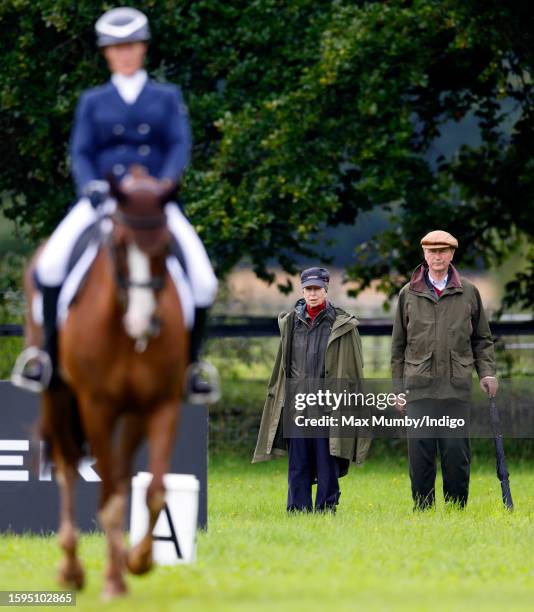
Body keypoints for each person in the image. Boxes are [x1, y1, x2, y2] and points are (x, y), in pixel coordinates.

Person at [13, 7, 218, 397]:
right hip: (103, 201)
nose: (124, 54)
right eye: (116, 48)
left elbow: (177, 144)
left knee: (204, 280)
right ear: (107, 53)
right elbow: (82, 150)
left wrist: (165, 184)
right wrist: (90, 184)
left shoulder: (165, 97)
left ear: (143, 49)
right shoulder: (94, 101)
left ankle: (193, 367)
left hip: (154, 206)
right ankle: (46, 358)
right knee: (51, 266)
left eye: (131, 46)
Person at [391, 230, 498, 510]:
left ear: (452, 255)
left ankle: (455, 509)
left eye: (443, 251)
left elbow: (482, 339)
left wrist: (487, 372)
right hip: (419, 387)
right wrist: (397, 390)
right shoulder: (408, 294)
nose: (437, 256)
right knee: (420, 453)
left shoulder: (469, 292)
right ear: (424, 255)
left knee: (455, 453)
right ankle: (423, 509)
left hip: (456, 388)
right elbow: (398, 347)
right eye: (432, 252)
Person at [253, 267, 370, 513]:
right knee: (298, 464)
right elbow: (282, 368)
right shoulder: (290, 323)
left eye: (317, 289)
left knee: (327, 461)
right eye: (308, 289)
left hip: (328, 405)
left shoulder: (342, 324)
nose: (313, 294)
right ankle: (297, 510)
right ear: (302, 290)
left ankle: (327, 508)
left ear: (326, 289)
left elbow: (354, 369)